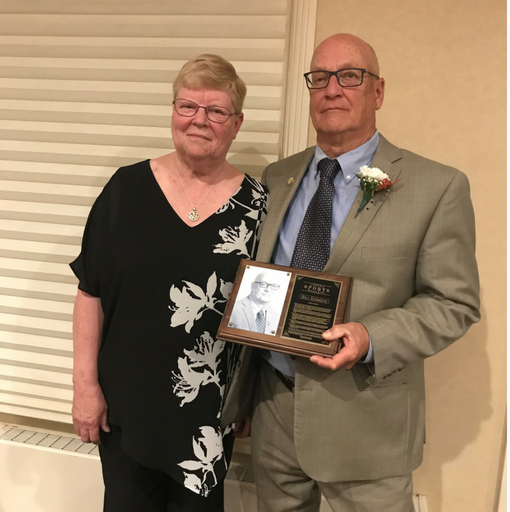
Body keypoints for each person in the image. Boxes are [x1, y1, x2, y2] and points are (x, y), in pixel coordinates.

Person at [220, 34, 481, 511]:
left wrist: (370, 334)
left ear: (377, 92)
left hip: (367, 424)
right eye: (319, 78)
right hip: (274, 408)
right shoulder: (277, 178)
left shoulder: (437, 186)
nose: (332, 89)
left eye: (349, 76)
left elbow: (455, 303)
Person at [70, 54, 267, 511]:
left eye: (216, 110)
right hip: (125, 409)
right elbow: (89, 290)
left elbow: (262, 304)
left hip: (208, 415)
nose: (199, 120)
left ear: (236, 124)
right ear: (173, 112)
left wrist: (249, 395)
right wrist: (85, 387)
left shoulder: (258, 205)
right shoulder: (125, 189)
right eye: (187, 106)